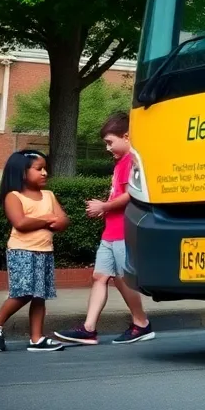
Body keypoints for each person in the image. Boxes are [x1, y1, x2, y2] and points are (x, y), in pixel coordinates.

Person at [56, 112, 155, 345]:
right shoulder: (121, 163)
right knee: (100, 276)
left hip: (122, 231)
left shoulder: (131, 161)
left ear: (127, 136)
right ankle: (89, 329)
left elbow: (131, 195)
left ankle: (141, 323)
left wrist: (104, 206)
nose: (107, 148)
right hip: (110, 232)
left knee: (123, 279)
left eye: (110, 142)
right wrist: (104, 208)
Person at [0, 150, 68, 352]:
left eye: (45, 169)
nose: (44, 173)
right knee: (23, 292)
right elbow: (21, 222)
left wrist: (52, 221)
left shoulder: (49, 196)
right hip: (21, 251)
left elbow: (63, 221)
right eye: (38, 168)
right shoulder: (13, 196)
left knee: (39, 295)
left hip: (44, 251)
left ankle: (36, 338)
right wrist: (48, 220)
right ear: (22, 172)